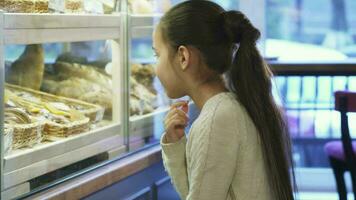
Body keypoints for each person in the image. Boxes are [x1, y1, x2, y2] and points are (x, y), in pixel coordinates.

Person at [152, 1, 295, 199]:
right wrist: (175, 145)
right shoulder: (228, 108)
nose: (155, 67)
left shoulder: (217, 119)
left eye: (157, 54)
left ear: (183, 57)